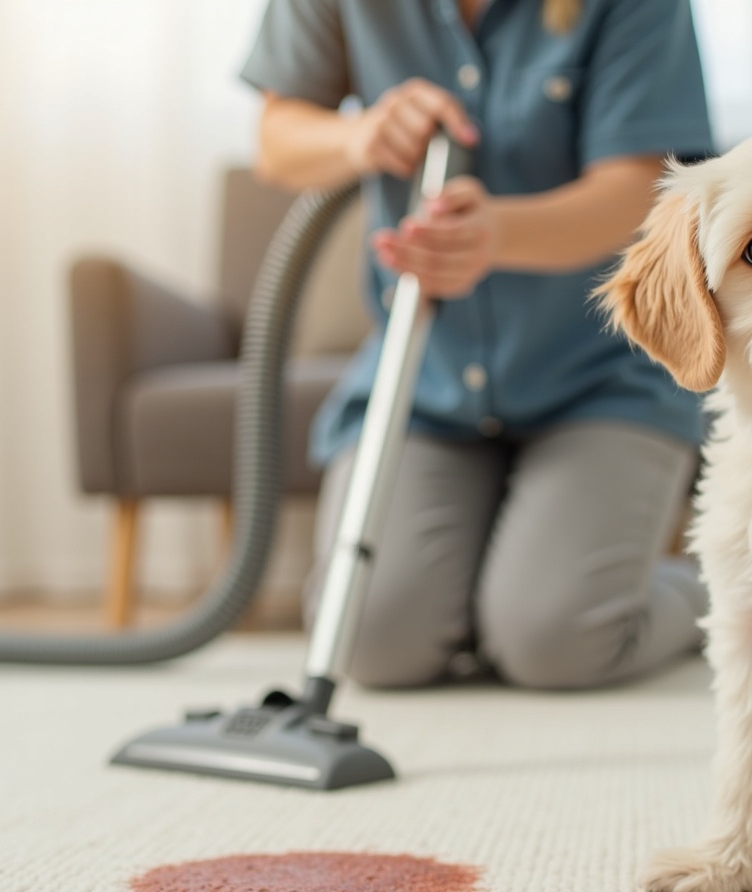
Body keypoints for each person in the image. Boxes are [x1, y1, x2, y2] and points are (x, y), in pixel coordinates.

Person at [241, 0, 714, 689]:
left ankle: (712, 595)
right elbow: (276, 140)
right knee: (370, 639)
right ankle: (501, 595)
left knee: (556, 641)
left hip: (598, 378)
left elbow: (644, 188)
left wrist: (497, 238)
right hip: (425, 382)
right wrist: (361, 137)